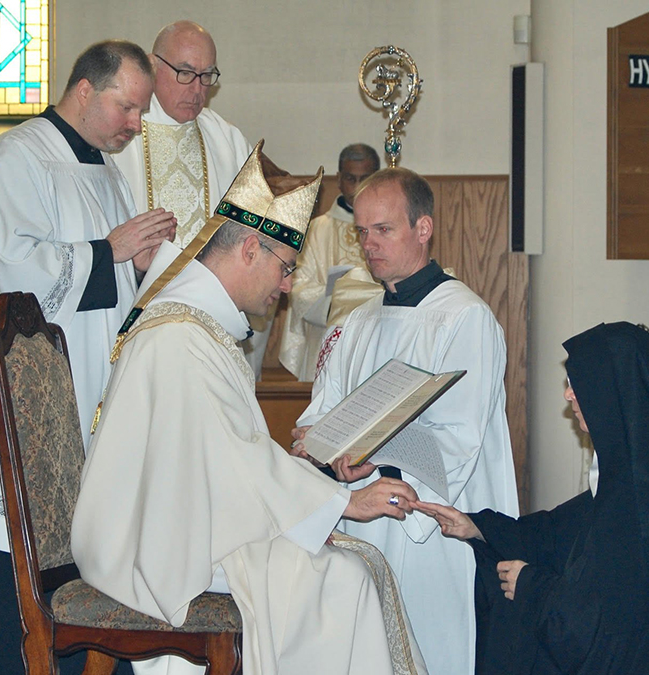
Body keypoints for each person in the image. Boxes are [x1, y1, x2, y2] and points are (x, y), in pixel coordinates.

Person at [73, 142, 427, 675]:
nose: (287, 288)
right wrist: (338, 503)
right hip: (153, 548)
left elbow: (229, 458)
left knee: (344, 566)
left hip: (186, 525)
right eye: (286, 268)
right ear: (248, 251)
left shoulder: (199, 327)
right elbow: (233, 459)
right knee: (341, 580)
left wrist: (312, 508)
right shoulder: (180, 337)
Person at [0, 40, 175, 674]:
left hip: (84, 402)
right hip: (16, 411)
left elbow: (108, 288)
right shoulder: (17, 156)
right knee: (5, 571)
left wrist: (138, 267)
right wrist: (108, 251)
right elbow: (15, 273)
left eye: (141, 113)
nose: (135, 125)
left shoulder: (105, 171)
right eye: (127, 107)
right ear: (85, 90)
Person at [417, 321, 649, 675]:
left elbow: (606, 636)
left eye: (578, 384)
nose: (569, 395)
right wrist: (478, 527)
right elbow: (558, 532)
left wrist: (532, 587)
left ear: (610, 392)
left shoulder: (643, 509)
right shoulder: (633, 473)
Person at [293, 167, 519, 675]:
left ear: (423, 228)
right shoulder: (355, 322)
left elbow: (459, 439)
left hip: (424, 528)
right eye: (362, 232)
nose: (369, 244)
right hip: (358, 518)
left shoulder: (465, 318)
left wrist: (374, 461)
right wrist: (319, 450)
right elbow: (321, 412)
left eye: (384, 229)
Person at [113, 21, 275, 377]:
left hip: (210, 328)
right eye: (186, 73)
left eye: (207, 76)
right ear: (154, 66)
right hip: (138, 318)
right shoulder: (121, 134)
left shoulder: (227, 140)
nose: (198, 89)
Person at [279, 143, 379, 381]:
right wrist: (340, 300)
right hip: (327, 339)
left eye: (365, 179)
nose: (356, 188)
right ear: (339, 179)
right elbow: (299, 288)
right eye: (350, 179)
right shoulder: (317, 230)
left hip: (376, 338)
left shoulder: (387, 229)